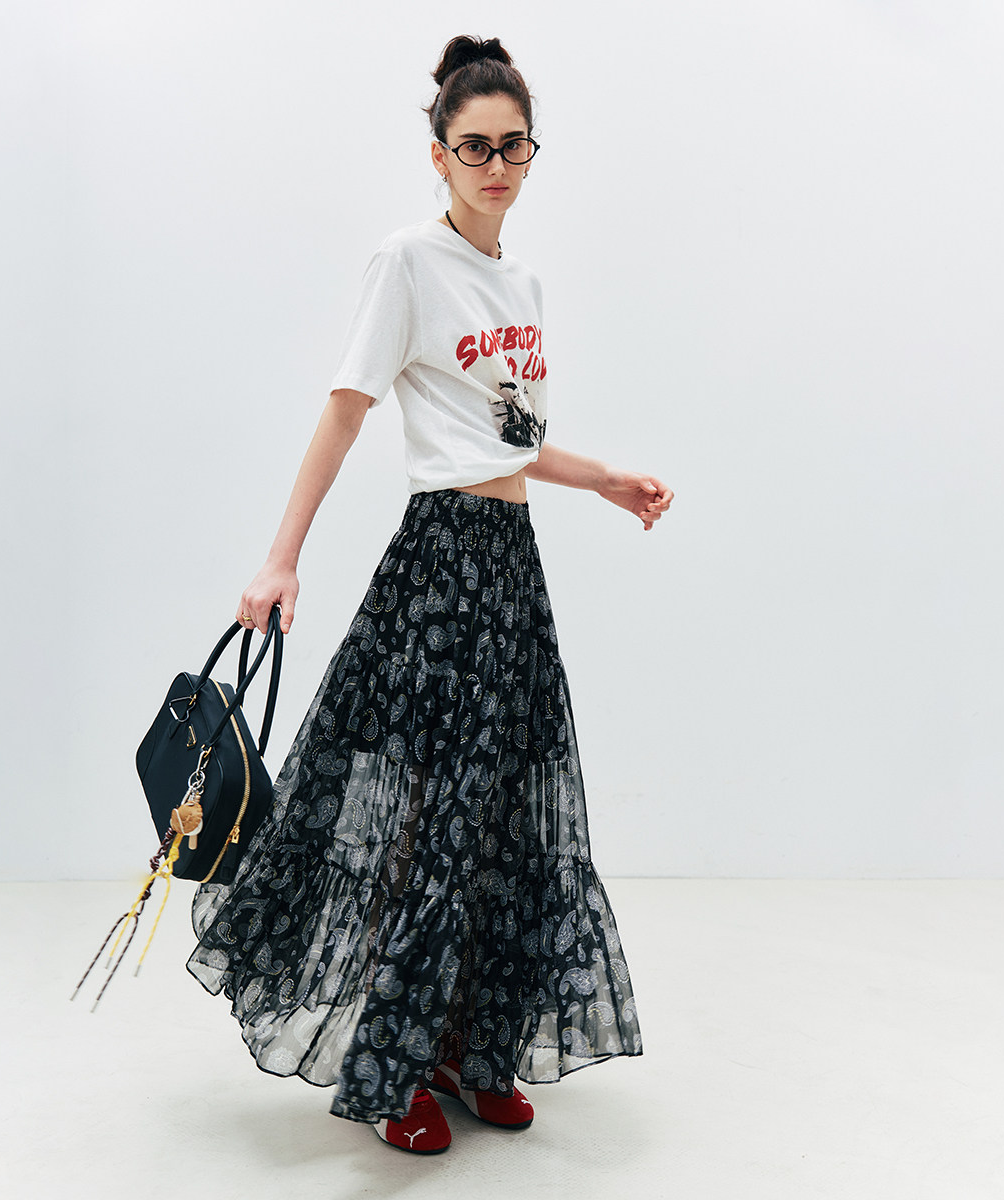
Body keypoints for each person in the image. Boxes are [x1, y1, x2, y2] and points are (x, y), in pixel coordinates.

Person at [186, 33, 672, 1156]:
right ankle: (391, 1066)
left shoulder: (523, 283)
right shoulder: (407, 262)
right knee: (422, 818)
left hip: (513, 564)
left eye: (514, 146)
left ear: (532, 153)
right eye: (475, 147)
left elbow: (512, 437)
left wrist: (605, 479)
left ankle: (463, 1045)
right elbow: (348, 409)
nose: (496, 165)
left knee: (496, 814)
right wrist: (280, 558)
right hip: (441, 566)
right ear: (439, 154)